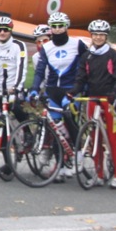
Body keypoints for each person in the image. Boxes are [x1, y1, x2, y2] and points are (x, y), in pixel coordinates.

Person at [29, 11, 89, 179]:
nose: (57, 29)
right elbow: (40, 71)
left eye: (60, 26)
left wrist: (81, 87)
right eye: (54, 26)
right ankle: (60, 165)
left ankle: (77, 153)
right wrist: (34, 89)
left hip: (71, 90)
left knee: (68, 118)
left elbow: (85, 68)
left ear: (66, 26)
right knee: (53, 127)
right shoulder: (47, 48)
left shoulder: (77, 44)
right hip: (53, 90)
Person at [72, 19, 116, 188]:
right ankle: (99, 174)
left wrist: (113, 94)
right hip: (93, 100)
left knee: (113, 138)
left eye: (101, 35)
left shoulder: (114, 56)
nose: (98, 38)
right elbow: (81, 78)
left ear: (106, 36)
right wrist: (72, 92)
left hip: (108, 101)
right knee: (95, 138)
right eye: (95, 35)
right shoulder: (86, 56)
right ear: (91, 36)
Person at [0, 16, 27, 176]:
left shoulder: (19, 46)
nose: (2, 32)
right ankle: (8, 163)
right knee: (2, 127)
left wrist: (17, 87)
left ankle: (27, 132)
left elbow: (22, 68)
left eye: (5, 29)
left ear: (10, 30)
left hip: (14, 89)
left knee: (16, 110)